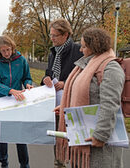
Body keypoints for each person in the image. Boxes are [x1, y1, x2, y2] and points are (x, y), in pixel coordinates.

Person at [55, 28, 125, 168]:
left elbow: (110, 104)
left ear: (95, 47)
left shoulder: (111, 68)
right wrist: (65, 107)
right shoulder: (85, 66)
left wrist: (101, 135)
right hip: (83, 137)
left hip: (99, 143)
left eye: (84, 46)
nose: (81, 50)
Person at [41, 18, 83, 167]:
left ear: (65, 35)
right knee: (58, 137)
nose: (51, 38)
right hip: (56, 105)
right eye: (50, 35)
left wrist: (66, 82)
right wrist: (46, 78)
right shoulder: (53, 53)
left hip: (73, 103)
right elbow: (49, 73)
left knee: (74, 140)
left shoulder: (78, 51)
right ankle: (59, 162)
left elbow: (85, 76)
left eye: (55, 35)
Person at [0, 35, 33, 168]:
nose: (6, 53)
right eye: (3, 51)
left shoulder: (21, 60)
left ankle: (24, 165)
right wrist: (10, 90)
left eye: (8, 50)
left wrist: (28, 84)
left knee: (20, 134)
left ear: (12, 48)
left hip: (17, 101)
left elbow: (27, 77)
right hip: (0, 101)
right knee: (2, 135)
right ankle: (4, 163)